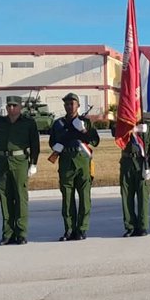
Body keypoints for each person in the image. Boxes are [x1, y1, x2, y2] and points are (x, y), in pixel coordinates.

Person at [0, 95, 41, 245]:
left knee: (20, 197)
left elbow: (35, 144)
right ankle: (8, 233)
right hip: (2, 161)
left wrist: (33, 164)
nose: (11, 108)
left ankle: (21, 233)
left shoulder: (28, 123)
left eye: (14, 106)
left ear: (20, 107)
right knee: (4, 197)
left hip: (20, 162)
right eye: (9, 106)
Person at [49, 93, 100, 241]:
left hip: (82, 161)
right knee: (67, 197)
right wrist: (56, 146)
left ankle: (82, 229)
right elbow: (52, 141)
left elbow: (95, 141)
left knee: (84, 197)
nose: (70, 106)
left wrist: (83, 130)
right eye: (67, 104)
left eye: (72, 104)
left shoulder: (85, 122)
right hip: (65, 162)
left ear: (78, 105)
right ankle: (69, 229)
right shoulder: (58, 124)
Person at [119, 111, 150, 237]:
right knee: (126, 196)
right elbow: (116, 132)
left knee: (143, 195)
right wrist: (132, 128)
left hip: (142, 162)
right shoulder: (123, 123)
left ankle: (142, 226)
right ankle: (130, 226)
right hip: (127, 161)